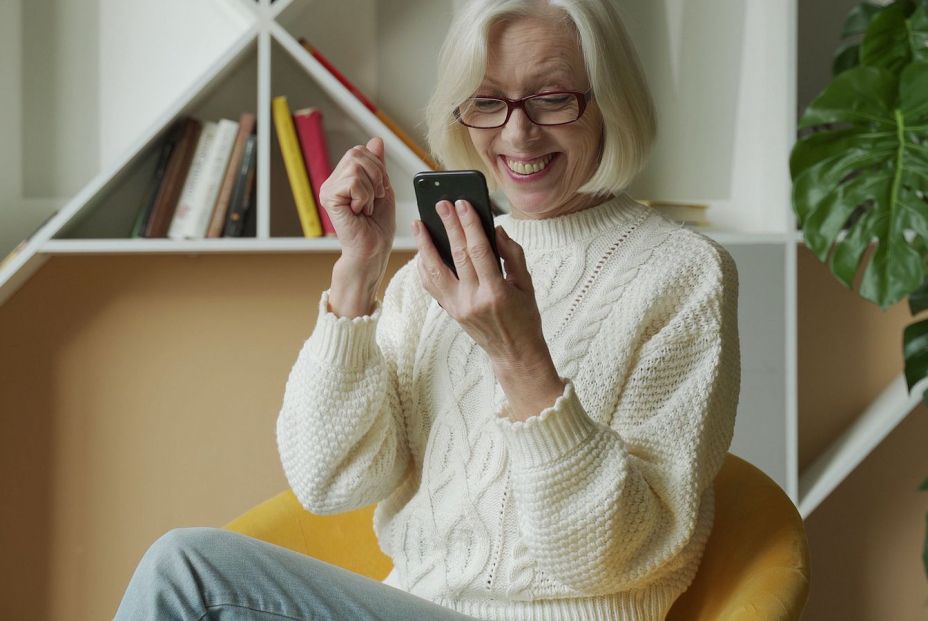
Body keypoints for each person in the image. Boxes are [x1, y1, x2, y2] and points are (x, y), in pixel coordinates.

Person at [115, 0, 740, 619]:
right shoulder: (432, 277)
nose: (517, 134)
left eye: (551, 97)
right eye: (488, 102)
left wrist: (517, 353)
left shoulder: (682, 274)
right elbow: (329, 481)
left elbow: (605, 558)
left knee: (187, 573)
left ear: (610, 101)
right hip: (413, 604)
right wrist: (358, 272)